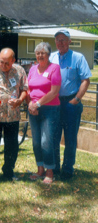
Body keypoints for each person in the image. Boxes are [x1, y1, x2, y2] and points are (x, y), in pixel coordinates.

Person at [50, 29, 91, 180]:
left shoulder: (78, 58)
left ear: (69, 41)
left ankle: (67, 169)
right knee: (54, 136)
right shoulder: (51, 57)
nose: (60, 42)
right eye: (57, 39)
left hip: (71, 103)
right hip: (54, 103)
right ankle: (54, 168)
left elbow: (86, 80)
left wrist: (77, 99)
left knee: (70, 138)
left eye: (63, 39)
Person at [0, 48, 28, 183]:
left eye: (7, 63)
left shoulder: (19, 71)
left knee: (12, 146)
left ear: (13, 61)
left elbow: (24, 89)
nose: (3, 66)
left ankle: (8, 171)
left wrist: (20, 101)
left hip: (13, 115)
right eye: (1, 62)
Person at [27, 42, 61, 185]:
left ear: (48, 55)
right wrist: (30, 103)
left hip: (49, 109)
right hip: (33, 109)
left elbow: (54, 91)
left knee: (46, 141)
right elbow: (28, 88)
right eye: (38, 53)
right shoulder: (33, 69)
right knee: (35, 141)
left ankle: (49, 171)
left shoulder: (54, 68)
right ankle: (40, 169)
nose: (40, 55)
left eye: (43, 53)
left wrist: (38, 104)